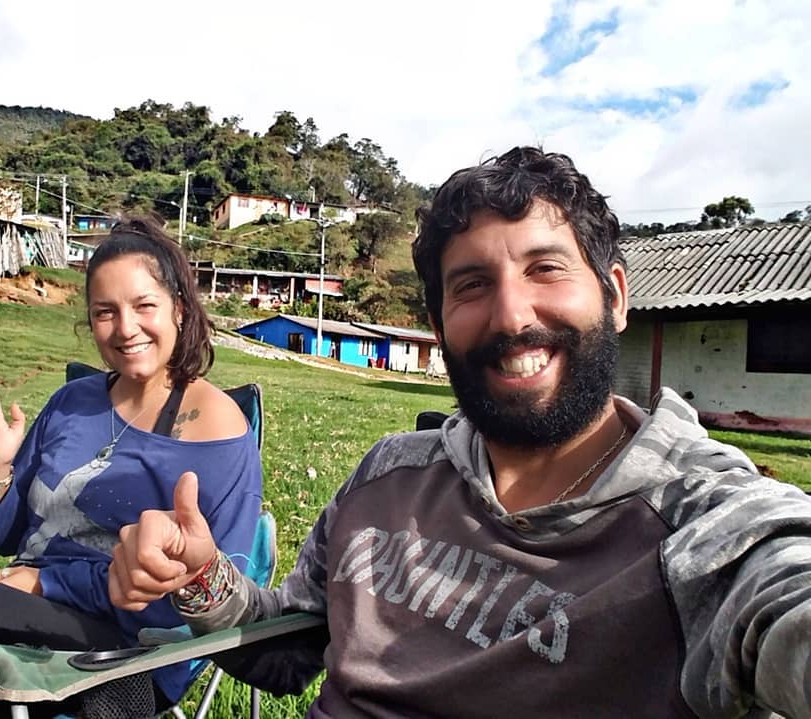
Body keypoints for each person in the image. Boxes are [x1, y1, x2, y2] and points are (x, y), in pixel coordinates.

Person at [109, 147, 811, 718]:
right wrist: (199, 578)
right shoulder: (387, 477)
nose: (511, 316)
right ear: (440, 327)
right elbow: (286, 648)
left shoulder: (705, 523)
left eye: (545, 268)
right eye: (472, 285)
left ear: (615, 296)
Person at [0, 215, 263, 717]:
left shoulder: (217, 431)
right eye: (105, 312)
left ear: (179, 310)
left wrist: (46, 583)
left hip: (125, 659)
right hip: (26, 614)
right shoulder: (72, 403)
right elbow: (9, 537)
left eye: (145, 306)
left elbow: (210, 592)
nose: (126, 328)